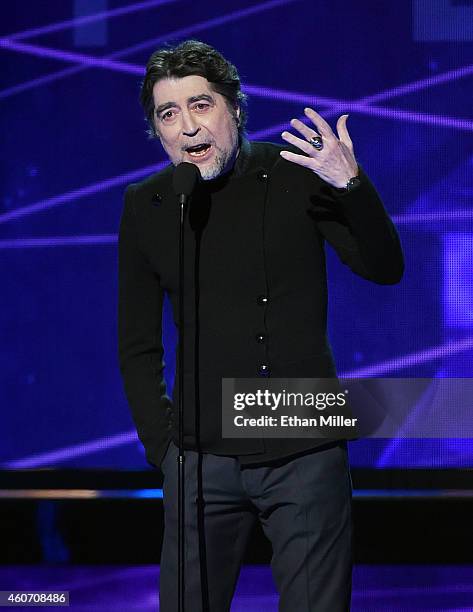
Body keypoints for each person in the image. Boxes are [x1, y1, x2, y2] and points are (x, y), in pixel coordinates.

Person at [118, 39, 404, 612]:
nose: (188, 127)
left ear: (235, 109)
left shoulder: (296, 175)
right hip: (201, 463)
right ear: (158, 130)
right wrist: (166, 453)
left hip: (304, 446)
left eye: (201, 105)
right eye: (168, 114)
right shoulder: (147, 204)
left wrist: (351, 185)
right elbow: (138, 344)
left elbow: (384, 268)